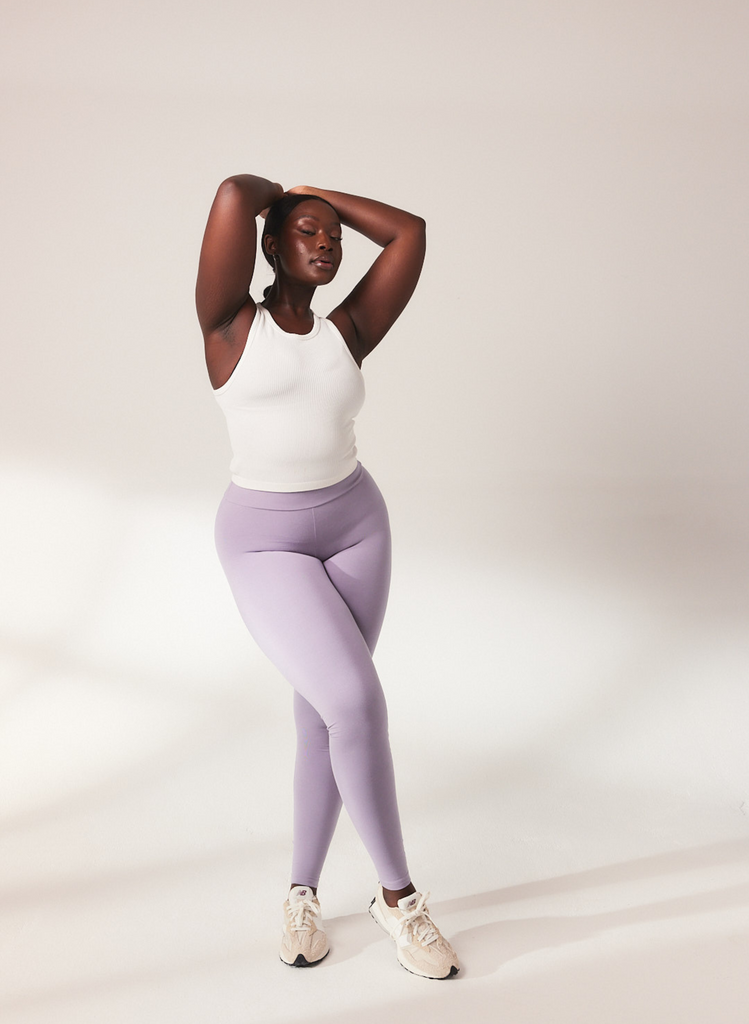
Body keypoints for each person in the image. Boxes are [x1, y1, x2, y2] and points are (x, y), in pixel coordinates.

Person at [196, 174, 459, 979]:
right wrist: (283, 196)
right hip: (263, 540)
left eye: (334, 237)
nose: (327, 243)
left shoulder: (347, 329)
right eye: (307, 232)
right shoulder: (229, 325)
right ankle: (399, 898)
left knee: (325, 713)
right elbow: (233, 195)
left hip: (355, 526)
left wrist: (326, 200)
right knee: (354, 701)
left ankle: (302, 892)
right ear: (271, 245)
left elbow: (409, 233)